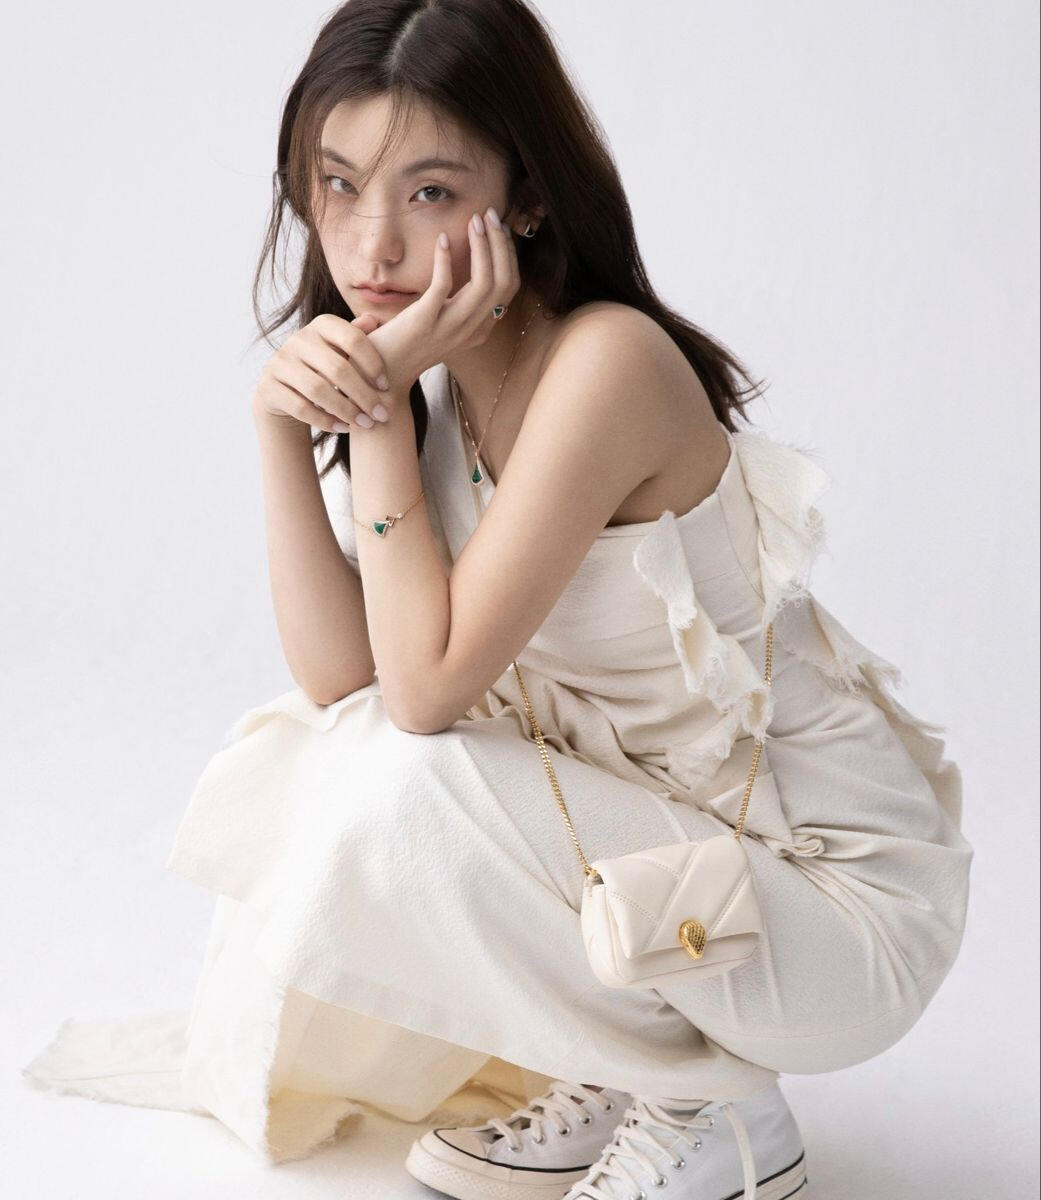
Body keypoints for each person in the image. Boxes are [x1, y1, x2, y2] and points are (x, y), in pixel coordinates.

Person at [22, 2, 973, 1197]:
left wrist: (373, 408)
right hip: (678, 878)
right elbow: (344, 682)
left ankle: (721, 1109)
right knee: (326, 757)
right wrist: (277, 430)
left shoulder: (606, 364)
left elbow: (422, 699)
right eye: (339, 184)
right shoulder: (434, 389)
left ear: (524, 198)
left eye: (429, 192)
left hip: (828, 906)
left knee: (405, 780)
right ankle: (622, 1055)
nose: (372, 248)